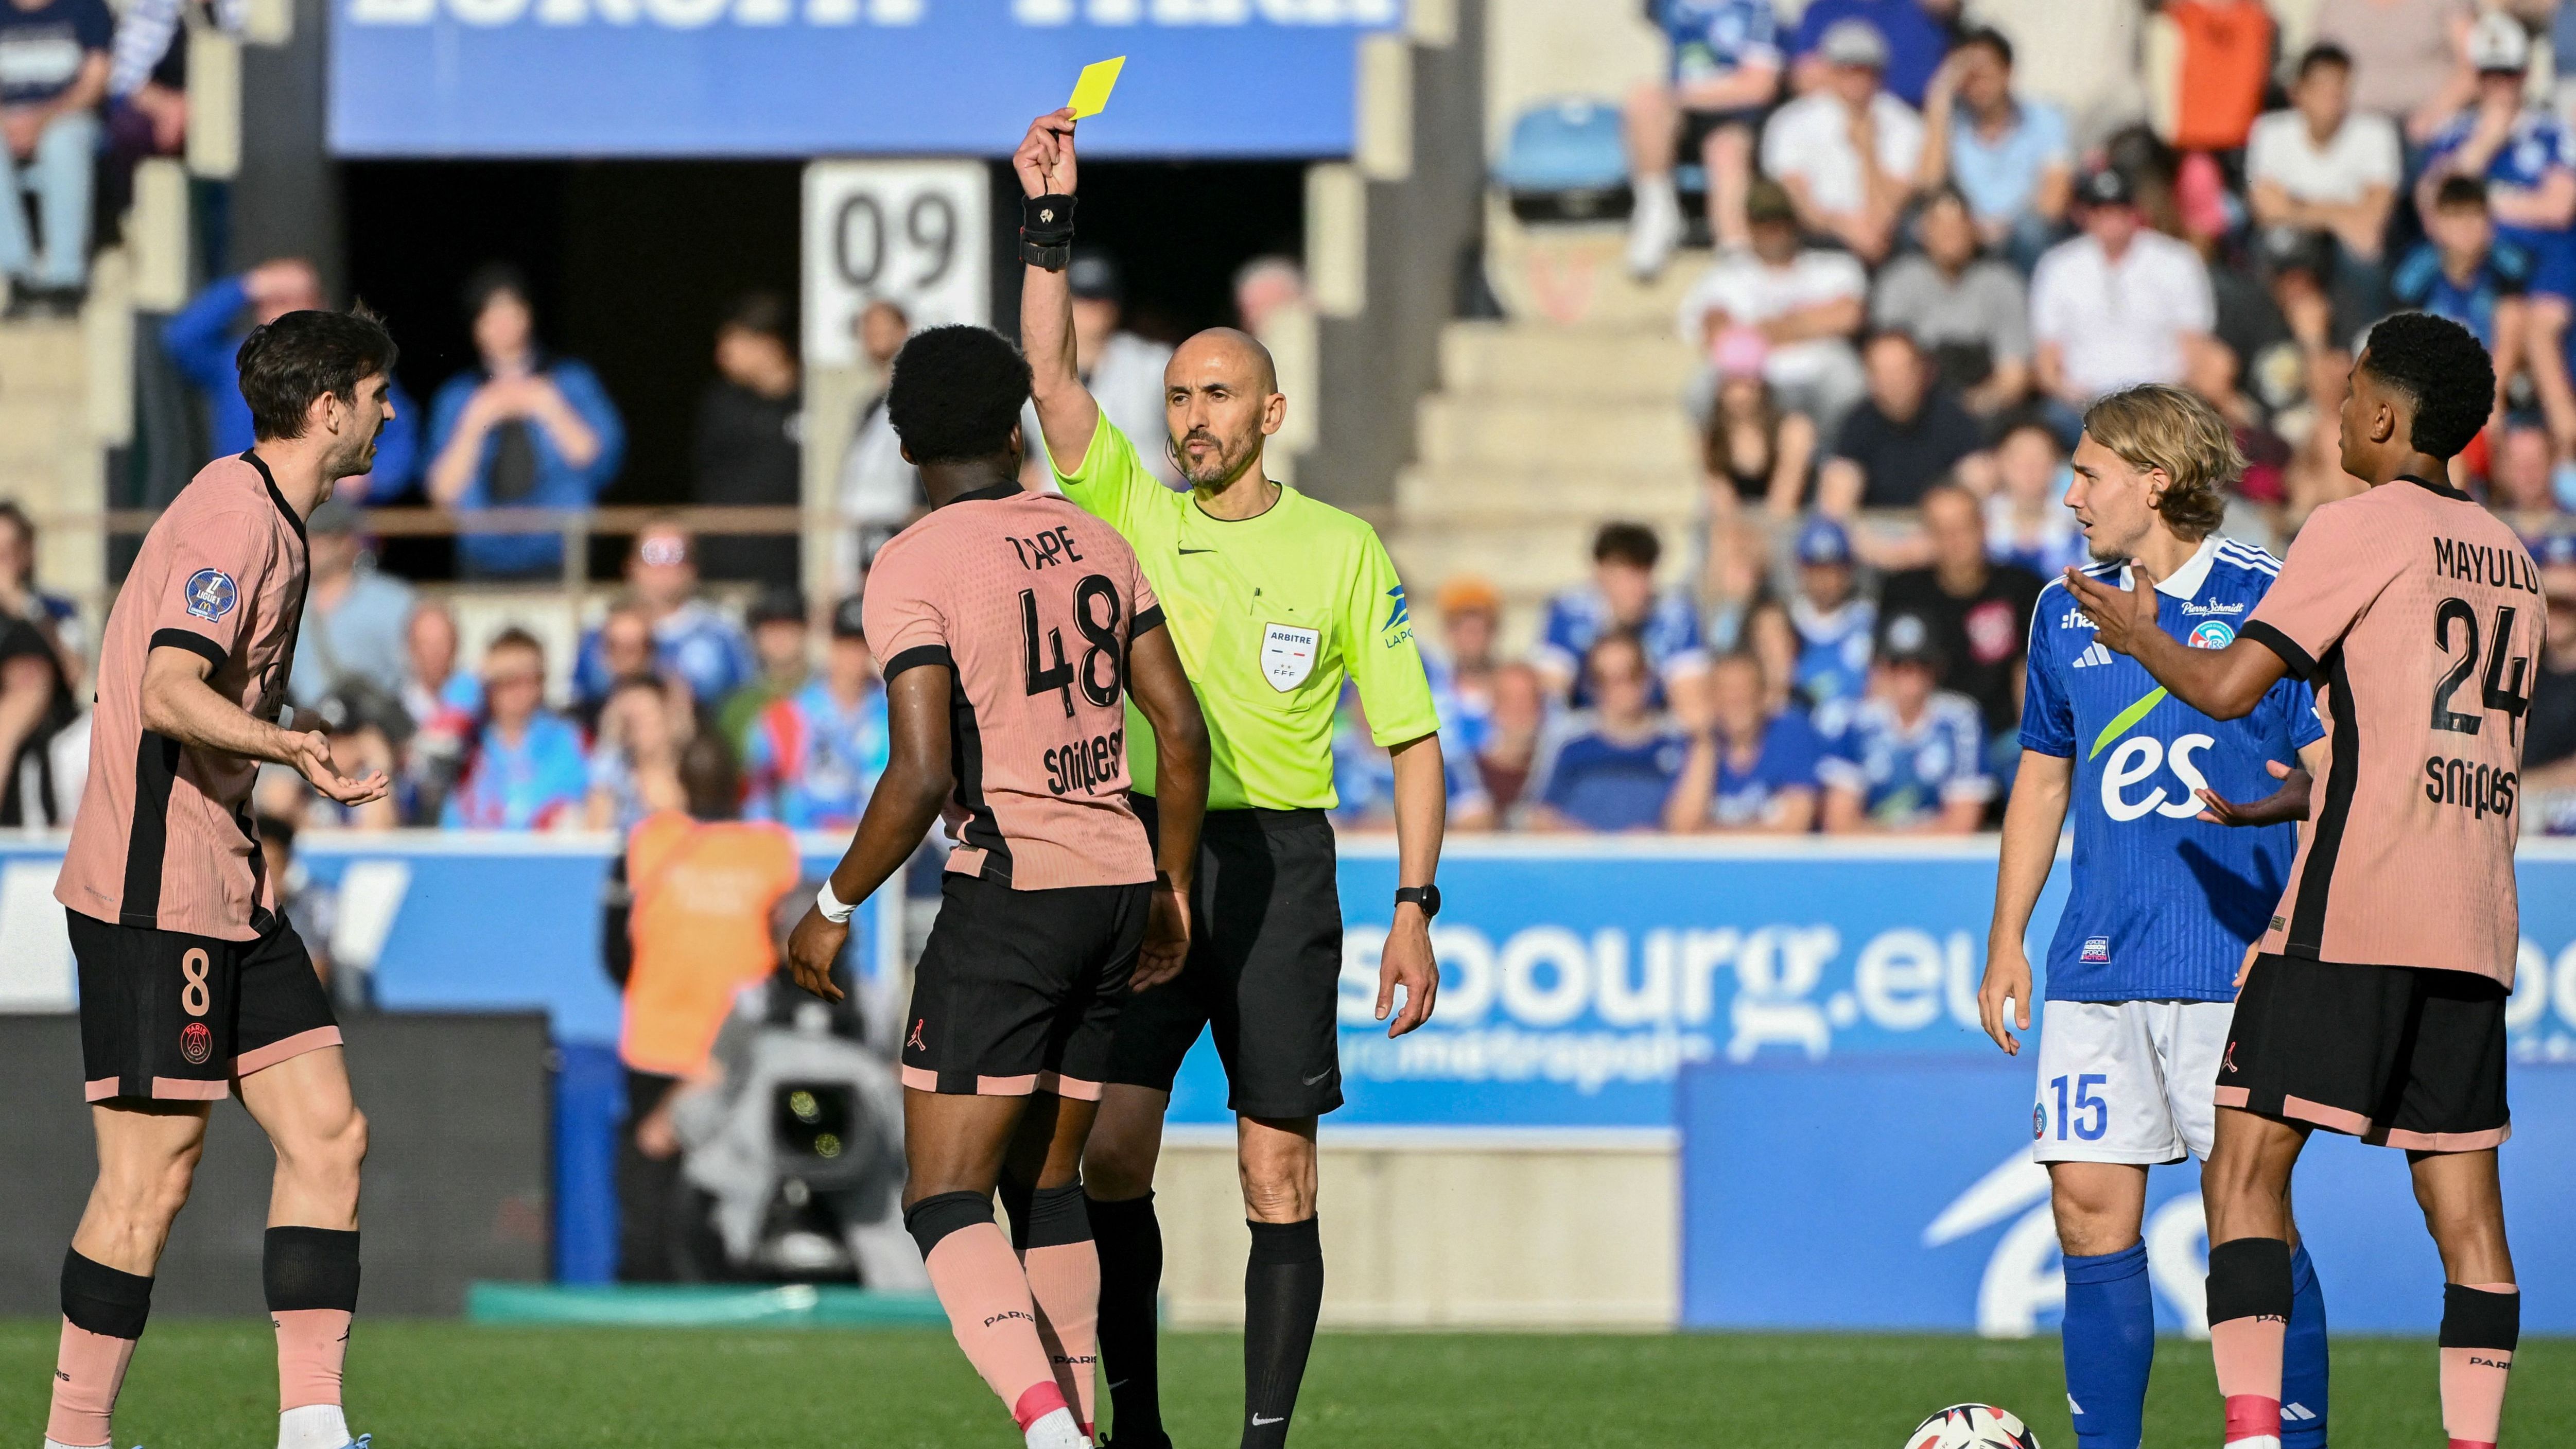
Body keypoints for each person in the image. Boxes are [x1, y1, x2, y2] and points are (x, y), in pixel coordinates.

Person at [1014, 107, 1447, 1449]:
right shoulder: (1133, 511)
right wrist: (1047, 223)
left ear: (1271, 410)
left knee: (1277, 1170)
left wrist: (1415, 904)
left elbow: (1413, 740)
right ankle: (1138, 1425)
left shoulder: (1340, 547)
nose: (1191, 417)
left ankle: (1262, 1441)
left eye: (1215, 396)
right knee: (1109, 1152)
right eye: (1178, 397)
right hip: (1145, 855)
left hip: (1277, 868)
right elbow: (1049, 375)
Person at [2061, 312, 2533, 1449]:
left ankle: (2253, 1435)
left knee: (2242, 1170)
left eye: (2352, 391)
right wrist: (2284, 800)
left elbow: (2228, 688)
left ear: (2387, 415)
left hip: (2354, 907)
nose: (2336, 409)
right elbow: (2419, 741)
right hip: (2473, 918)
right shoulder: (2511, 558)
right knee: (2468, 1218)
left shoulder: (2355, 527)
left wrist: (2136, 636)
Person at [777, 321, 1211, 1449]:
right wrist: (1168, 887)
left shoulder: (914, 562)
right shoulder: (1097, 539)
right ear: (1016, 427)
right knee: (1050, 1186)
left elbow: (921, 773)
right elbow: (1179, 727)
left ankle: (1048, 1427)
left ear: (905, 444)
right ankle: (1081, 1425)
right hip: (1116, 884)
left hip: (1015, 888)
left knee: (945, 1196)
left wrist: (831, 907)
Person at [43, 305, 395, 1449]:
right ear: (329, 408)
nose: (389, 414)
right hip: (156, 888)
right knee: (149, 1181)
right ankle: (73, 1438)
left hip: (230, 883)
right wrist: (287, 744)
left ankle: (313, 1429)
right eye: (376, 395)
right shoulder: (234, 519)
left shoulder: (272, 521)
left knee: (329, 1135)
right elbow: (167, 691)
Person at [1979, 383, 2333, 1449]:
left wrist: (2298, 926)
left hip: (2233, 964)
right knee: (2085, 1211)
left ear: (2154, 480)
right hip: (2095, 963)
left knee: (2248, 1220)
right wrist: (2006, 939)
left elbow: (2331, 774)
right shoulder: (2062, 610)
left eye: (2087, 474)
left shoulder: (2275, 595)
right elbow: (2043, 775)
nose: (2070, 495)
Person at [613, 734, 800, 1283]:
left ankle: (650, 1291)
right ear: (741, 786)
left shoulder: (650, 842)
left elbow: (616, 947)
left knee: (654, 1177)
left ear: (682, 785)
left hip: (667, 1042)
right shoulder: (773, 850)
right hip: (735, 1051)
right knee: (737, 1177)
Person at [2415, 15, 2576, 457]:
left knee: (2537, 326)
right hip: (2478, 271)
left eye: (2508, 73)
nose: (2499, 85)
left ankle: (2566, 446)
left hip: (2544, 267)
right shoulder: (2457, 135)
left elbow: (2559, 207)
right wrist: (2485, 144)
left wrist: (2479, 202)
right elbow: (2433, 210)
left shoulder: (2550, 131)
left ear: (2524, 74)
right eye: (2489, 74)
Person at [425, 264, 625, 578]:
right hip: (482, 555)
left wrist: (551, 408)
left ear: (528, 315)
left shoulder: (572, 381)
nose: (502, 326)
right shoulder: (458, 396)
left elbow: (601, 463)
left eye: (511, 313)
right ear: (476, 327)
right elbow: (442, 492)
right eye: (490, 317)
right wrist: (476, 422)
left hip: (561, 550)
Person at [163, 260, 422, 499]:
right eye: (276, 300)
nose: (288, 311)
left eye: (300, 299)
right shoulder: (238, 364)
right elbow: (180, 340)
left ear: (321, 306)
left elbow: (400, 435)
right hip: (248, 498)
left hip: (328, 511)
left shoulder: (352, 366)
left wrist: (371, 481)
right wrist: (248, 286)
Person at [1677, 177, 1869, 437]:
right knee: (1700, 391)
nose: (1773, 230)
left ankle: (1837, 458)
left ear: (1794, 222)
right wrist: (1807, 323)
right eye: (1763, 223)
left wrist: (1756, 332)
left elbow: (1848, 317)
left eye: (1780, 221)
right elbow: (1717, 335)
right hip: (1754, 378)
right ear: (1749, 225)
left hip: (1819, 370)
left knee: (1850, 384)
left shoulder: (1834, 266)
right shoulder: (1724, 276)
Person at [2032, 167, 2217, 414]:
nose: (2111, 220)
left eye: (2119, 210)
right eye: (2101, 211)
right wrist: (2072, 396)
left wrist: (2165, 399)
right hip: (2081, 403)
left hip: (2158, 402)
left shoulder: (2177, 261)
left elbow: (2195, 347)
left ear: (2135, 211)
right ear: (2087, 215)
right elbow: (2048, 358)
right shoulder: (2058, 266)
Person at [1623, 0, 1784, 275]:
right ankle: (1657, 214)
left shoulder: (1755, 9)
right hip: (1685, 118)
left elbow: (1759, 86)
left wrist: (1686, 95)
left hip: (1735, 116)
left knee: (1726, 150)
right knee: (1645, 99)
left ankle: (1736, 255)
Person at [1881, 482, 2045, 744]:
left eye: (1962, 528)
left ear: (1983, 526)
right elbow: (1886, 676)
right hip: (1927, 740)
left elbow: (2029, 675)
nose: (1954, 540)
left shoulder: (2023, 588)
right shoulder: (1903, 592)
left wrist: (2031, 747)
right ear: (1927, 535)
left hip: (2003, 739)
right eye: (1941, 531)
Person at [1760, 18, 1923, 265]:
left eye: (1865, 69)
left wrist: (1867, 149)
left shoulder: (1905, 124)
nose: (1857, 80)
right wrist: (1844, 226)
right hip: (1815, 246)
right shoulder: (1792, 122)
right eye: (1847, 69)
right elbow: (1798, 199)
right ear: (1829, 70)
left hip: (1889, 245)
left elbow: (1891, 208)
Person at [1816, 610, 1992, 832]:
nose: (1910, 676)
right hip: (1871, 852)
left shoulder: (1960, 721)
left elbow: (1962, 823)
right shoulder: (1856, 723)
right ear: (1880, 668)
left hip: (1937, 853)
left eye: (1922, 665)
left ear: (1938, 668)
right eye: (1898, 664)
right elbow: (1840, 822)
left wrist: (1894, 839)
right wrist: (1895, 842)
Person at [1915, 27, 2071, 269]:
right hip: (1968, 231)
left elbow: (2053, 202)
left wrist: (2004, 227)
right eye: (1969, 76)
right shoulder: (1952, 123)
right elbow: (1929, 184)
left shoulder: (2046, 118)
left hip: (2020, 232)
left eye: (1986, 74)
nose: (1979, 85)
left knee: (2032, 232)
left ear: (2007, 72)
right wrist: (1940, 98)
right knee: (1919, 229)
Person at [1871, 187, 2032, 415]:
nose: (1950, 235)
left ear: (1974, 229)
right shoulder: (1898, 281)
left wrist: (1963, 412)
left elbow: (2014, 376)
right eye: (1940, 225)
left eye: (1958, 225)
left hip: (1984, 409)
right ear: (1923, 231)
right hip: (1915, 409)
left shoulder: (2003, 283)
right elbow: (1888, 363)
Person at [1022, 254, 1178, 490]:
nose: (1092, 310)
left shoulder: (1153, 363)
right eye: (1083, 299)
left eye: (1100, 299)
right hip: (1062, 503)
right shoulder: (1032, 369)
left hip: (1142, 498)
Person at [2246, 45, 2403, 277]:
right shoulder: (2270, 130)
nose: (2331, 96)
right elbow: (2267, 209)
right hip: (2303, 239)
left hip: (2350, 243)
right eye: (2321, 87)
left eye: (2339, 86)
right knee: (2281, 247)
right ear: (2298, 92)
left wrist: (2297, 206)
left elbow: (2376, 213)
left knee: (2364, 255)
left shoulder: (2377, 131)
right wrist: (2341, 218)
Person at [742, 594, 890, 832]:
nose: (855, 655)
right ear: (830, 644)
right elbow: (759, 797)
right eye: (846, 643)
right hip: (806, 850)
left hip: (885, 851)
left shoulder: (897, 715)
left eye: (865, 645)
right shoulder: (787, 717)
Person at [572, 522, 756, 710]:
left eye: (675, 555)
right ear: (631, 565)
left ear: (692, 567)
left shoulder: (722, 636)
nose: (663, 567)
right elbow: (578, 702)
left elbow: (746, 706)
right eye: (652, 554)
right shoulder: (600, 634)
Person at [1523, 632, 1691, 833]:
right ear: (1591, 686)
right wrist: (1593, 843)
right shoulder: (1569, 745)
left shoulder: (1679, 744)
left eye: (1631, 674)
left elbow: (1693, 819)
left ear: (1648, 677)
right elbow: (1538, 816)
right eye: (1603, 679)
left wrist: (1658, 839)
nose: (1619, 687)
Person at [0, 0, 107, 316]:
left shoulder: (87, 9)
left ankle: (66, 278)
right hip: (8, 123)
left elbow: (95, 80)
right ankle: (15, 274)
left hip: (68, 119)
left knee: (64, 141)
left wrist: (40, 121)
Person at [1533, 522, 1711, 710]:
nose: (1633, 587)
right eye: (1622, 575)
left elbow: (1691, 697)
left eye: (1640, 574)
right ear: (1598, 573)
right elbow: (1551, 693)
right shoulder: (1570, 612)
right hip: (1587, 720)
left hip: (1654, 721)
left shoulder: (1676, 616)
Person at [691, 291, 804, 584]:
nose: (722, 354)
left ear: (769, 344)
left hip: (793, 567)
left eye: (734, 341)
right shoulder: (722, 404)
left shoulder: (813, 403)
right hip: (727, 565)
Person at [1818, 329, 1994, 515]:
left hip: (1940, 525)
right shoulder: (1858, 423)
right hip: (1876, 526)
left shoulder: (1953, 418)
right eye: (1883, 373)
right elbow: (1838, 497)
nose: (1894, 382)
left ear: (1921, 371)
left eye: (1900, 371)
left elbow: (1978, 479)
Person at [442, 627, 587, 831]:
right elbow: (436, 743)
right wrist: (475, 677)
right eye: (506, 680)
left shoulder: (566, 740)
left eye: (528, 678)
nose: (518, 690)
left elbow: (565, 806)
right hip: (463, 848)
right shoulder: (467, 741)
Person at [1662, 650, 1824, 831]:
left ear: (1764, 696)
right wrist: (1704, 744)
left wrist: (1706, 833)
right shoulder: (1696, 741)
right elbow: (1682, 829)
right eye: (1724, 691)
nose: (1735, 699)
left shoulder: (1791, 732)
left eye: (1745, 689)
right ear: (1711, 699)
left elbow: (1793, 826)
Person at [287, 499, 413, 713]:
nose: (311, 546)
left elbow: (413, 680)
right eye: (305, 537)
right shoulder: (284, 600)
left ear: (348, 542)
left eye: (322, 538)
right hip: (300, 723)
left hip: (371, 724)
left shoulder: (394, 602)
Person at [837, 297, 925, 584]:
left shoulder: (925, 398)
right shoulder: (870, 407)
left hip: (911, 535)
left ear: (904, 329)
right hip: (867, 539)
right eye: (867, 329)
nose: (873, 336)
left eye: (881, 327)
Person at [2311, 0, 2476, 146]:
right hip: (2354, 126)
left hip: (2426, 130)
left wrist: (2432, 116)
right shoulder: (2336, 5)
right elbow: (2319, 69)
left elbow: (2472, 67)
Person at [1787, 0, 1950, 108]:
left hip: (1918, 114)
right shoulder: (1822, 10)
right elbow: (1805, 78)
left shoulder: (1924, 9)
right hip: (1837, 118)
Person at [1786, 514, 1875, 707]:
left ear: (1848, 571)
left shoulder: (1868, 623)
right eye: (1816, 570)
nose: (1824, 582)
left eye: (1832, 570)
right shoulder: (1787, 624)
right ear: (1802, 571)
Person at [585, 674, 689, 832]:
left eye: (647, 718)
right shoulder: (611, 772)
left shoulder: (694, 765)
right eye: (631, 722)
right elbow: (595, 833)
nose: (640, 730)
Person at [715, 585, 810, 756]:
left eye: (788, 628)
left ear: (805, 631)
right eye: (770, 629)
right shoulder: (738, 708)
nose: (780, 638)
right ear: (756, 637)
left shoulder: (828, 696)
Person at [1985, 416, 2085, 579]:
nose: (2030, 467)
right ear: (1998, 461)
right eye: (2019, 457)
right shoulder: (1978, 522)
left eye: (2040, 456)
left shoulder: (2082, 523)